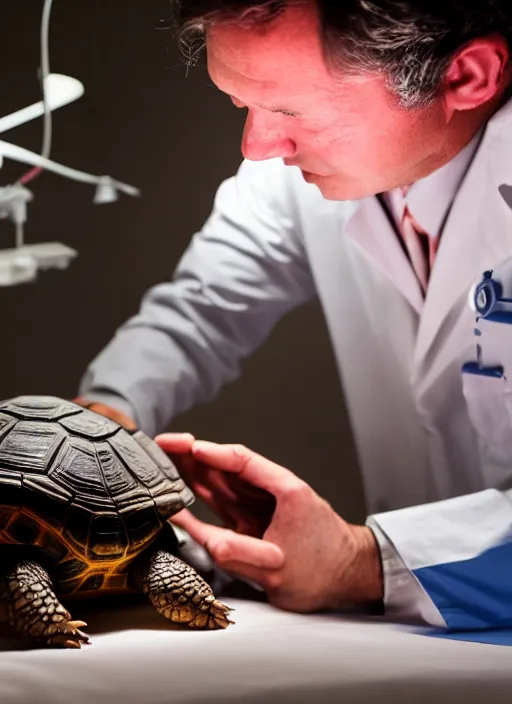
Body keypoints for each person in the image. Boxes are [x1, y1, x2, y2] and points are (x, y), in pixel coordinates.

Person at [76, 0, 512, 632]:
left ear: (465, 77)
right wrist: (101, 423)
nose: (256, 148)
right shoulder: (301, 176)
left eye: (288, 110)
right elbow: (200, 311)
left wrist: (361, 563)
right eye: (239, 104)